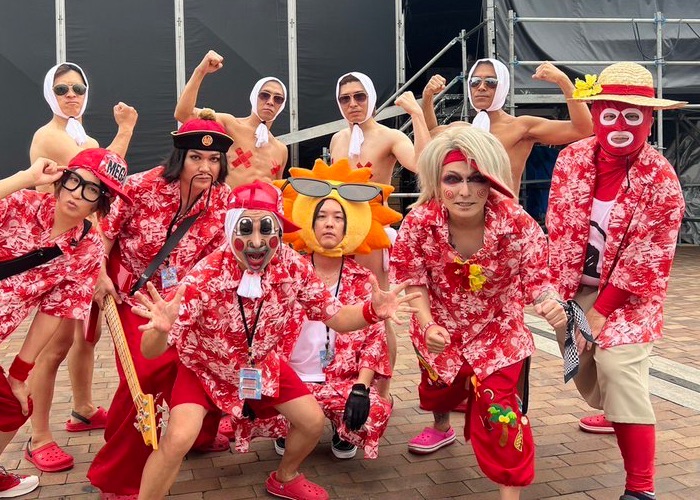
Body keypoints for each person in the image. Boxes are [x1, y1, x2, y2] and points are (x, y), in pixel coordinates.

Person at [132, 180, 418, 500]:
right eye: (245, 229)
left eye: (266, 229)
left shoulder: (293, 267)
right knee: (178, 440)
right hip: (206, 368)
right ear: (230, 229)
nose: (256, 242)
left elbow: (337, 318)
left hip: (261, 366)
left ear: (280, 231)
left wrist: (372, 310)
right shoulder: (205, 275)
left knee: (310, 422)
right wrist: (160, 329)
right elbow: (150, 351)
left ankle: (285, 477)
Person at [391, 127, 567, 500]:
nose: (465, 191)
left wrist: (549, 301)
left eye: (477, 179)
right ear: (437, 182)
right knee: (439, 392)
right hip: (439, 331)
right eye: (453, 179)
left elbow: (539, 277)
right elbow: (412, 280)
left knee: (500, 411)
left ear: (491, 180)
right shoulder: (419, 222)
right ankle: (442, 426)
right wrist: (428, 324)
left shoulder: (516, 221)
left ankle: (510, 491)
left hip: (499, 332)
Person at [546, 62, 685, 500]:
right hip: (577, 285)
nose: (621, 126)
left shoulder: (661, 179)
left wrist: (601, 312)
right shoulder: (571, 159)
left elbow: (648, 256)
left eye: (633, 116)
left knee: (618, 366)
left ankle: (640, 489)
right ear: (596, 114)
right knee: (588, 368)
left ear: (649, 120)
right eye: (610, 114)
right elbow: (558, 225)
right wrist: (555, 294)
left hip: (631, 295)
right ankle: (614, 411)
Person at [86, 114, 234, 498]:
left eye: (214, 159)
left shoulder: (224, 200)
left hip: (186, 300)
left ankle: (197, 435)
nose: (205, 167)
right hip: (133, 297)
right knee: (143, 379)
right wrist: (98, 274)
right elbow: (102, 234)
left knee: (204, 360)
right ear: (179, 157)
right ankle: (118, 476)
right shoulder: (141, 186)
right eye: (196, 158)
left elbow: (220, 257)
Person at [228, 158, 399, 460]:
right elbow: (258, 329)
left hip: (341, 379)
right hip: (290, 379)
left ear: (349, 225)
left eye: (338, 217)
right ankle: (288, 427)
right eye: (321, 216)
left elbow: (374, 340)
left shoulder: (363, 280)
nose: (329, 223)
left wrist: (361, 388)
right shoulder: (286, 271)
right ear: (309, 221)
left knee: (374, 410)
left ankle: (343, 431)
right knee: (249, 400)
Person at [26, 62, 138, 473]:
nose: (71, 95)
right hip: (57, 256)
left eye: (78, 88)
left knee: (85, 338)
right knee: (52, 348)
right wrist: (125, 130)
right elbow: (105, 175)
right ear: (49, 93)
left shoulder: (83, 137)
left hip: (83, 249)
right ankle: (38, 437)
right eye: (62, 89)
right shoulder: (49, 136)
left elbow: (99, 194)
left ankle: (83, 407)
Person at [0, 149, 130, 497]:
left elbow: (53, 311)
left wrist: (19, 373)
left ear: (101, 203)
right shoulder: (22, 205)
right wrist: (26, 178)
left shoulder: (87, 248)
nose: (77, 194)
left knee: (13, 407)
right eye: (74, 182)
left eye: (92, 190)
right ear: (61, 180)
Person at [330, 72, 431, 397]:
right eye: (345, 98)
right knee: (343, 309)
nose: (352, 104)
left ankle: (383, 392)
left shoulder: (389, 136)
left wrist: (416, 114)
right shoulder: (337, 139)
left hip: (372, 233)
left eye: (359, 96)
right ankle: (351, 381)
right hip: (339, 234)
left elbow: (422, 163)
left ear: (371, 98)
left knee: (379, 309)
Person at [421, 59, 593, 195]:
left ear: (502, 85)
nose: (481, 87)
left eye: (491, 82)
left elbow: (583, 129)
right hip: (462, 219)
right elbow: (427, 140)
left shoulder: (520, 127)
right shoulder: (460, 129)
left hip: (503, 220)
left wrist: (563, 81)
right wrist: (428, 97)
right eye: (475, 82)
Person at [174, 50, 288, 187]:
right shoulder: (230, 125)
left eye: (278, 99)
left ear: (282, 105)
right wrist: (201, 71)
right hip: (227, 200)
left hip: (264, 202)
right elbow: (184, 114)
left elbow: (278, 189)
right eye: (264, 95)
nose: (270, 102)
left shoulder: (281, 150)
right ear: (254, 97)